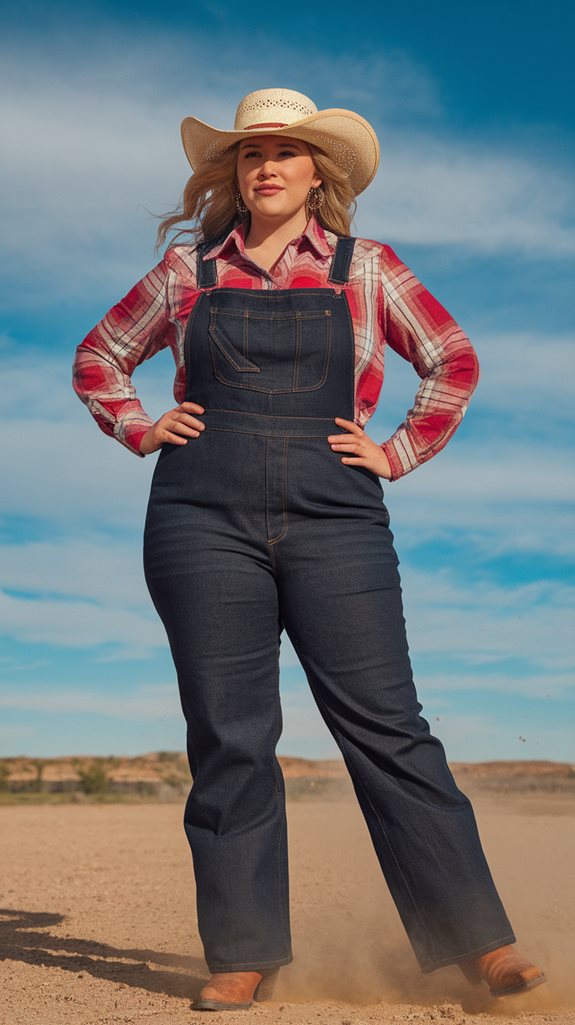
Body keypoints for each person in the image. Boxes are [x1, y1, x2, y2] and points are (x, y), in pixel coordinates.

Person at [72, 87, 546, 1011]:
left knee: (387, 727)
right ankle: (243, 951)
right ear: (234, 173)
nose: (268, 167)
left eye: (287, 153)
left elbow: (451, 356)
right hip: (198, 518)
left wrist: (398, 450)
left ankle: (479, 944)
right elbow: (99, 355)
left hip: (337, 518)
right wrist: (139, 426)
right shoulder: (187, 273)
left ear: (318, 172)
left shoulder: (366, 269)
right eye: (252, 154)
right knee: (230, 735)